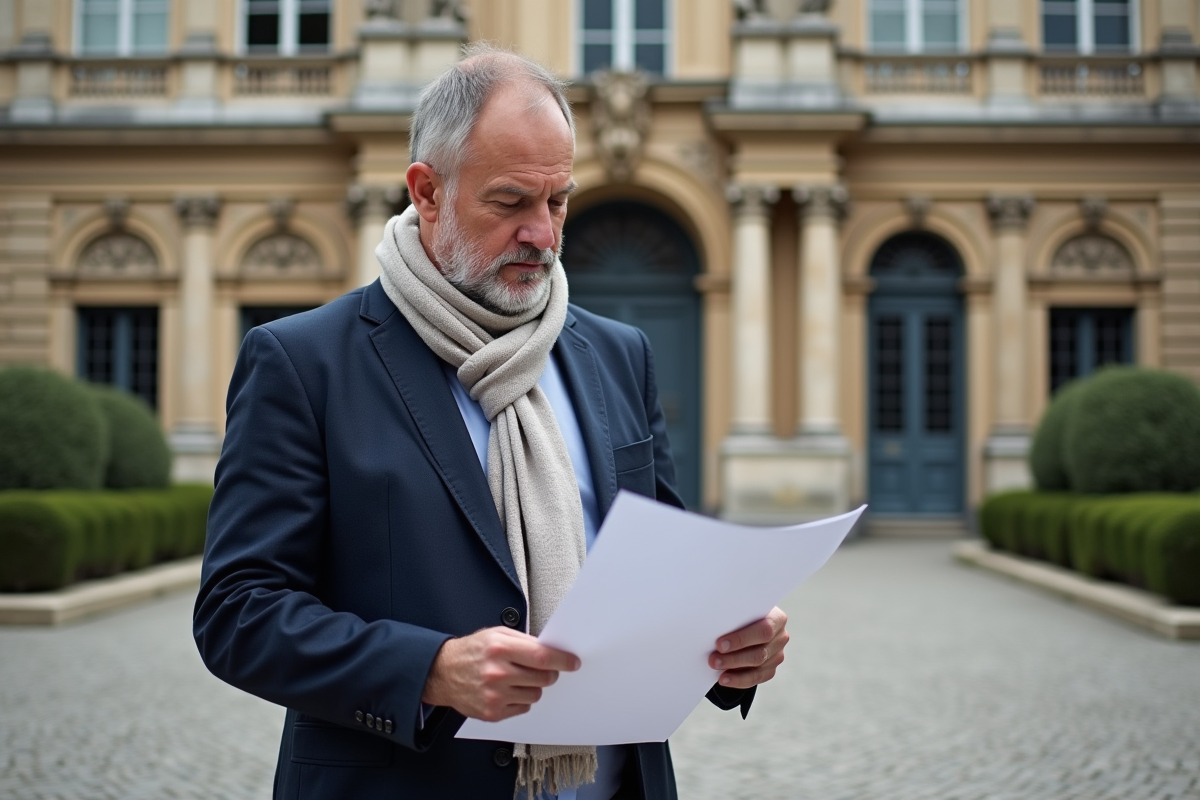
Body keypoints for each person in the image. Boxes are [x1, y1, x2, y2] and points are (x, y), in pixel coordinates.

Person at [193, 45, 790, 800]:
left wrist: (734, 646)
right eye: (510, 203)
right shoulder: (304, 362)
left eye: (560, 202)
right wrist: (430, 670)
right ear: (428, 191)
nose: (542, 233)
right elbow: (238, 612)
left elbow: (662, 580)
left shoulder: (617, 355)